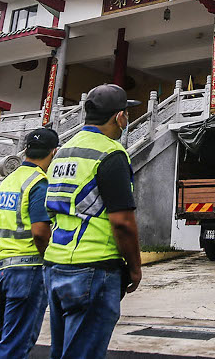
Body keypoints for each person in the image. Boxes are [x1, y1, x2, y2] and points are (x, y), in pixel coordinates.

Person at [44, 84, 142, 359]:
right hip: (94, 268)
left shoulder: (63, 152)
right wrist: (135, 267)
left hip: (57, 264)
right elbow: (122, 221)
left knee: (63, 350)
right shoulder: (111, 154)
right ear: (119, 117)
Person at [0, 127, 58, 359]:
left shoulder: (6, 182)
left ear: (25, 150)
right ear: (53, 152)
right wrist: (49, 258)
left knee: (2, 336)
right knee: (17, 342)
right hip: (27, 270)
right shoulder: (38, 183)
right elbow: (39, 232)